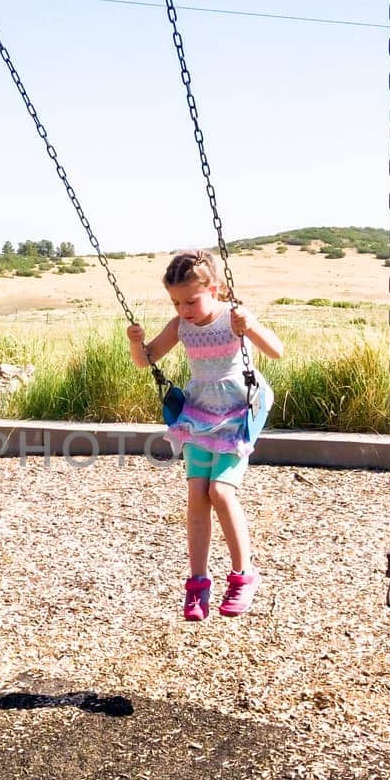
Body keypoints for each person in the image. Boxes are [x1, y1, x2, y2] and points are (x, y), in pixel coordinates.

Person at [126, 249, 284, 621]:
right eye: (176, 302)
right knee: (196, 493)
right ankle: (197, 583)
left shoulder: (233, 318)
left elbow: (276, 351)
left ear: (215, 289)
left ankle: (244, 575)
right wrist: (137, 342)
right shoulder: (180, 326)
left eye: (191, 300)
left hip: (238, 412)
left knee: (220, 491)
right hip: (198, 414)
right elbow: (145, 359)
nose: (184, 309)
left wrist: (252, 326)